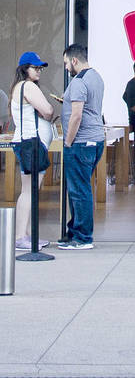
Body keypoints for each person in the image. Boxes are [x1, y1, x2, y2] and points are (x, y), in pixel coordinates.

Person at [59, 43, 106, 250]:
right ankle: (75, 231)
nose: (66, 68)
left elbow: (77, 116)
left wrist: (68, 142)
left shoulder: (79, 82)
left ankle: (83, 238)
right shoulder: (96, 77)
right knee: (80, 188)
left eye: (66, 63)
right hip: (94, 140)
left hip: (80, 142)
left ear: (74, 60)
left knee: (79, 191)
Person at [10, 52, 56, 251]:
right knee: (29, 192)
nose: (39, 71)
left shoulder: (18, 87)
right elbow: (47, 110)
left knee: (29, 191)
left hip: (27, 142)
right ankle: (21, 236)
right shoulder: (28, 86)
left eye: (40, 68)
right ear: (24, 69)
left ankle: (26, 235)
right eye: (35, 68)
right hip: (32, 143)